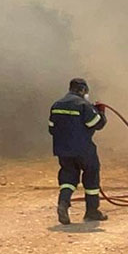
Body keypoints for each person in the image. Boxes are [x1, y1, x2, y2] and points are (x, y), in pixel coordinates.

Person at [49, 78, 108, 225]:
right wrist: (100, 111)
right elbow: (97, 124)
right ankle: (92, 211)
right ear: (82, 90)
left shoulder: (57, 105)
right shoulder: (83, 105)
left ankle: (63, 203)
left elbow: (51, 128)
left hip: (63, 150)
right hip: (83, 149)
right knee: (91, 175)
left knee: (68, 178)